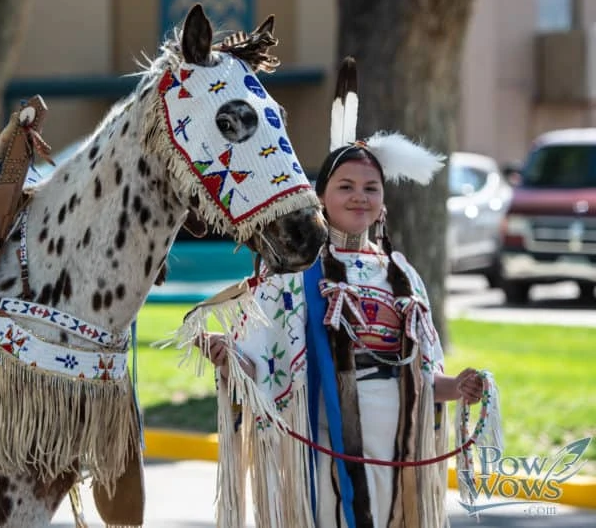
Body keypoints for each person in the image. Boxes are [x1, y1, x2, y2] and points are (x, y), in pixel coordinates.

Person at [186, 57, 497, 528]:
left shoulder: (403, 277)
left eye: (371, 188)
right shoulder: (292, 272)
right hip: (322, 448)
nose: (359, 196)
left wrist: (458, 388)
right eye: (346, 186)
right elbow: (264, 364)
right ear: (321, 197)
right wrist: (229, 356)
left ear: (384, 203)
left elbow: (423, 374)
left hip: (397, 446)